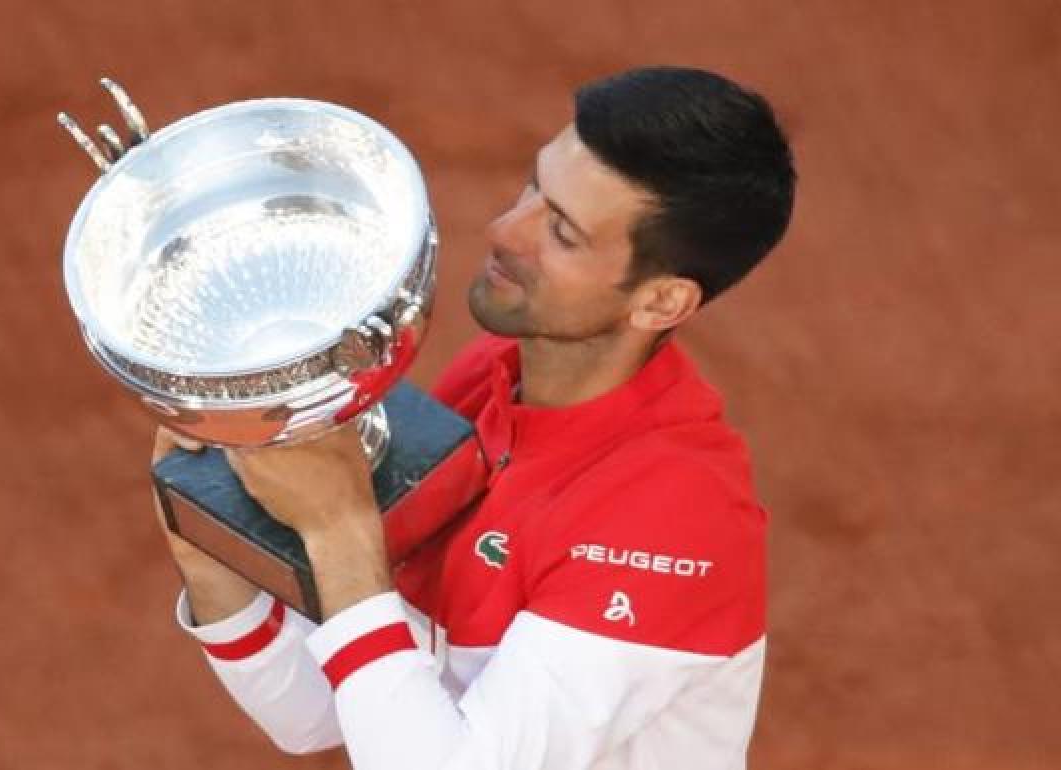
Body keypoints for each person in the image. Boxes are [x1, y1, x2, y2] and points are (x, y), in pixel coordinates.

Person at [151, 65, 796, 770]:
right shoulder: (495, 378)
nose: (503, 230)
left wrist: (340, 528)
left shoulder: (673, 519)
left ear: (661, 303)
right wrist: (206, 547)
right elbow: (324, 713)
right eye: (533, 187)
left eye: (563, 232)